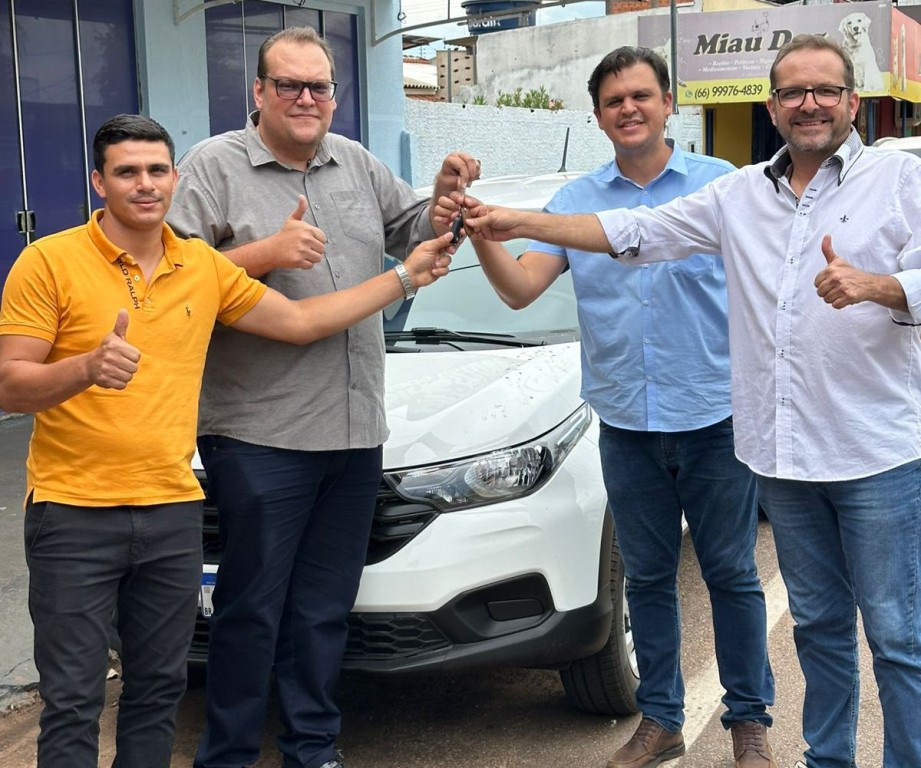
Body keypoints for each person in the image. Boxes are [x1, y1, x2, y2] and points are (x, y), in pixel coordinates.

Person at [459, 34, 921, 768]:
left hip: (841, 445)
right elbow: (631, 234)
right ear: (771, 106)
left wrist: (879, 285)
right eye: (792, 92)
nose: (808, 103)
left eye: (824, 90)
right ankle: (808, 755)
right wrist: (511, 222)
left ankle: (771, 728)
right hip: (765, 450)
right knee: (815, 626)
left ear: (851, 101)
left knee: (893, 635)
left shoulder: (892, 180)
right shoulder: (740, 195)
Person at [0, 114, 453, 768]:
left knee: (158, 690)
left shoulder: (199, 267)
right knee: (73, 700)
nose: (145, 184)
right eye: (127, 172)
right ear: (99, 182)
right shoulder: (49, 261)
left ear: (174, 179)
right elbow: (11, 385)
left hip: (170, 510)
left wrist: (404, 277)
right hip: (73, 512)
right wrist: (85, 368)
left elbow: (299, 321)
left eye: (157, 170)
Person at [444, 46, 776, 768]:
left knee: (731, 576)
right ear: (597, 116)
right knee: (648, 580)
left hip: (714, 419)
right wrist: (484, 234)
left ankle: (749, 723)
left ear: (668, 104)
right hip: (625, 425)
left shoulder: (721, 186)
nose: (628, 109)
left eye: (640, 95)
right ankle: (661, 721)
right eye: (613, 101)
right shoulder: (574, 201)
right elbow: (518, 291)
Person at [165, 26, 480, 768]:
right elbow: (170, 280)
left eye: (319, 87)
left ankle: (312, 748)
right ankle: (229, 755)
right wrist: (262, 254)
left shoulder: (356, 162)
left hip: (354, 427)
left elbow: (410, 231)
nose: (306, 99)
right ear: (258, 92)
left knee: (323, 609)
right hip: (259, 434)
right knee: (251, 608)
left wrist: (443, 200)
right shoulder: (213, 166)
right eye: (289, 85)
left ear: (334, 96)